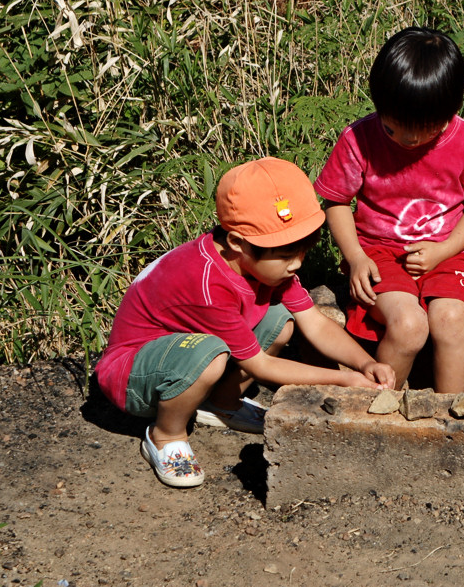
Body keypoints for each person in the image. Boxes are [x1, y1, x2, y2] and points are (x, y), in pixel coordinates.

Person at [95, 157, 395, 488]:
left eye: (302, 250)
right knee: (208, 354)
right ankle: (165, 435)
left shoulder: (265, 264)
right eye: (285, 253)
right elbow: (260, 366)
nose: (297, 263)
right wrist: (344, 381)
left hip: (182, 351)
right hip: (132, 375)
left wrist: (364, 362)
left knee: (281, 318)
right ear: (238, 243)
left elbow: (314, 323)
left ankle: (222, 404)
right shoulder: (208, 283)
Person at [314, 27, 464, 393]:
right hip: (380, 252)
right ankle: (377, 408)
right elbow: (336, 201)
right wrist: (356, 257)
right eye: (393, 129)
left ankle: (448, 414)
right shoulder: (360, 138)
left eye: (423, 131)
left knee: (452, 319)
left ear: (450, 112)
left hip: (451, 252)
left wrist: (443, 250)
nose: (408, 140)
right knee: (409, 325)